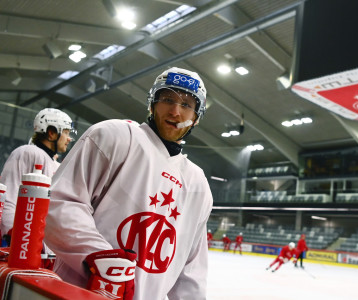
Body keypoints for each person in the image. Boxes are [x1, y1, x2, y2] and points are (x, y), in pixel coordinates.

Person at [44, 67, 213, 300]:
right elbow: (60, 203)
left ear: (196, 117)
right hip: (79, 293)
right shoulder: (114, 136)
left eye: (187, 105)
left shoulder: (198, 184)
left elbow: (191, 270)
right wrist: (98, 255)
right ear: (152, 103)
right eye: (167, 99)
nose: (175, 111)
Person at [0, 108, 74, 237]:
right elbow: (9, 196)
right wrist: (13, 234)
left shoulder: (54, 163)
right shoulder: (27, 152)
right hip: (23, 238)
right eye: (66, 133)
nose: (69, 139)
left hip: (40, 238)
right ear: (51, 133)